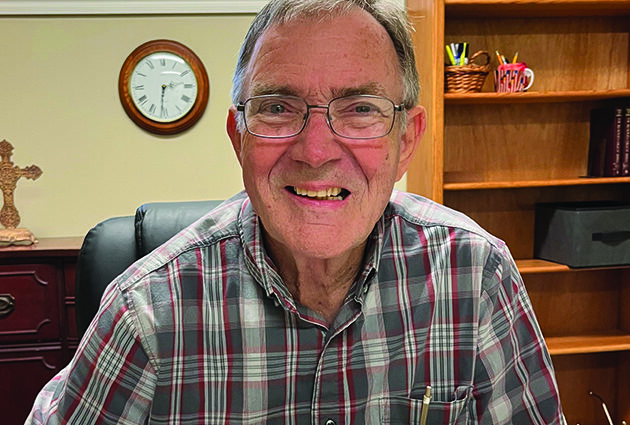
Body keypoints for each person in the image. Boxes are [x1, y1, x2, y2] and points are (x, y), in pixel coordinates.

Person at [27, 0, 565, 423]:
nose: (315, 151)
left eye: (359, 109)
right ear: (239, 138)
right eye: (278, 108)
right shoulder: (145, 312)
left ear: (407, 140)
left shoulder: (476, 275)